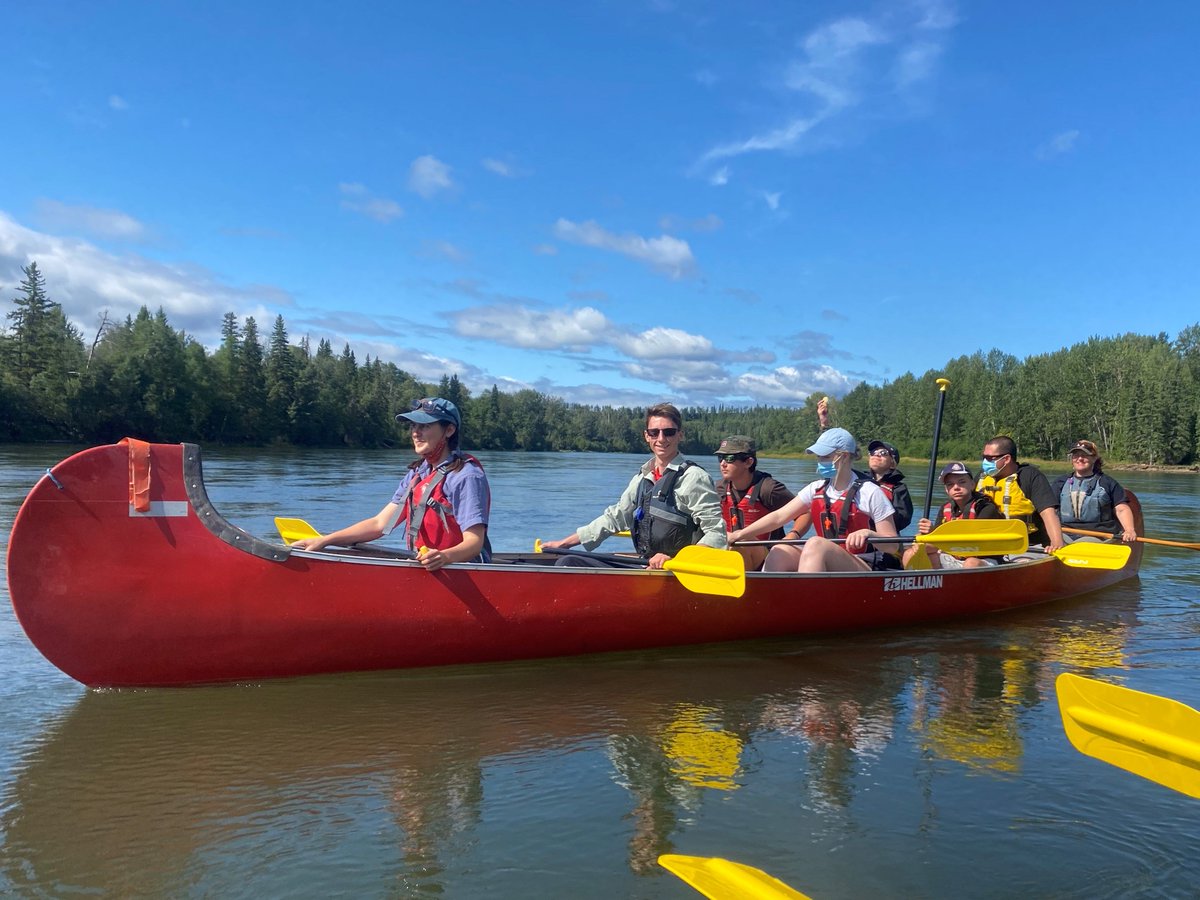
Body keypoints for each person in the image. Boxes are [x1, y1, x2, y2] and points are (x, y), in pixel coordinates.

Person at [292, 397, 491, 570]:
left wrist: (444, 557)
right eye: (413, 426)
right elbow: (380, 524)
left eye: (425, 426)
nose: (416, 433)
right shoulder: (418, 473)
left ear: (449, 430)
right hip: (428, 568)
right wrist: (325, 540)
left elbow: (474, 542)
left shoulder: (466, 476)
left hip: (459, 569)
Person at [541, 403, 726, 569]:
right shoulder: (643, 478)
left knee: (567, 564)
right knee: (570, 561)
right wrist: (564, 544)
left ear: (680, 435)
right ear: (647, 436)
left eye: (668, 432)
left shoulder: (694, 478)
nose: (661, 438)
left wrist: (676, 559)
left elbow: (716, 533)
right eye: (654, 432)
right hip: (647, 564)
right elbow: (615, 518)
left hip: (679, 570)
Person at [727, 428, 899, 573]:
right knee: (780, 550)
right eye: (819, 457)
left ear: (845, 456)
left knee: (815, 544)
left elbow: (893, 546)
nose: (820, 461)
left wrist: (869, 534)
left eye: (825, 457)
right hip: (827, 557)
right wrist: (739, 534)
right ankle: (772, 597)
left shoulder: (870, 492)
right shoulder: (816, 488)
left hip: (864, 563)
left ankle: (807, 597)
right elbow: (779, 517)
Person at [809, 396, 912, 532]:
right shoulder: (859, 480)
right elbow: (836, 456)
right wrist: (824, 423)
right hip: (853, 535)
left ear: (893, 464)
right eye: (873, 452)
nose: (876, 455)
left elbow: (902, 520)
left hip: (879, 537)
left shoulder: (898, 489)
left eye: (883, 453)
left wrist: (874, 511)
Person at [712, 435, 795, 571]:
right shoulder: (720, 488)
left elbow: (804, 513)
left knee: (742, 542)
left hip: (767, 556)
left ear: (748, 462)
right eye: (720, 458)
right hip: (730, 550)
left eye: (729, 458)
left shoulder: (769, 489)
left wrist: (792, 536)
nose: (723, 464)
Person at [901, 462, 1005, 569]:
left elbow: (974, 540)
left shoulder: (986, 507)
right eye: (950, 484)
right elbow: (937, 540)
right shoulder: (945, 508)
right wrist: (930, 533)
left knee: (971, 563)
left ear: (972, 485)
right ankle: (920, 579)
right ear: (946, 490)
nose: (956, 487)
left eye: (962, 482)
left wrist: (936, 539)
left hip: (983, 558)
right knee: (911, 552)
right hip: (953, 555)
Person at [975, 435, 1064, 552]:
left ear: (1006, 459)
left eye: (990, 458)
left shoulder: (1029, 476)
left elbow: (1048, 513)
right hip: (988, 543)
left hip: (1027, 546)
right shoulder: (982, 477)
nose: (985, 462)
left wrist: (1057, 544)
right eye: (984, 457)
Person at [1051, 439, 1138, 543]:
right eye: (1076, 455)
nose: (1080, 459)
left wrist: (1129, 530)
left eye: (1084, 455)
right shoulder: (1060, 482)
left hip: (1099, 535)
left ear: (1094, 458)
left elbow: (1121, 509)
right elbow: (1050, 510)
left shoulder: (1107, 483)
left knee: (1085, 542)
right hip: (1065, 533)